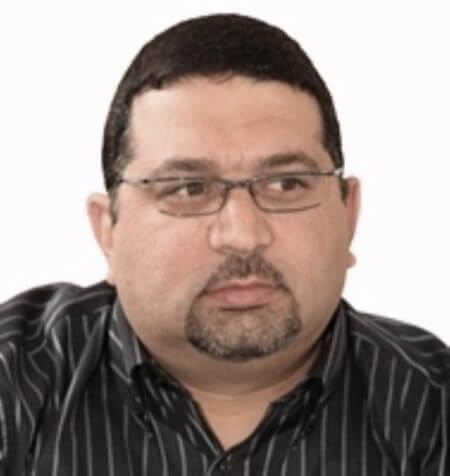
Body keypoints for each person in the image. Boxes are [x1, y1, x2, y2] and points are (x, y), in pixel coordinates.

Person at [0, 13, 448, 475]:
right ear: (108, 230)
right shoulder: (15, 379)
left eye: (287, 184)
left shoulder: (432, 404)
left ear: (349, 214)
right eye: (189, 189)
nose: (243, 236)